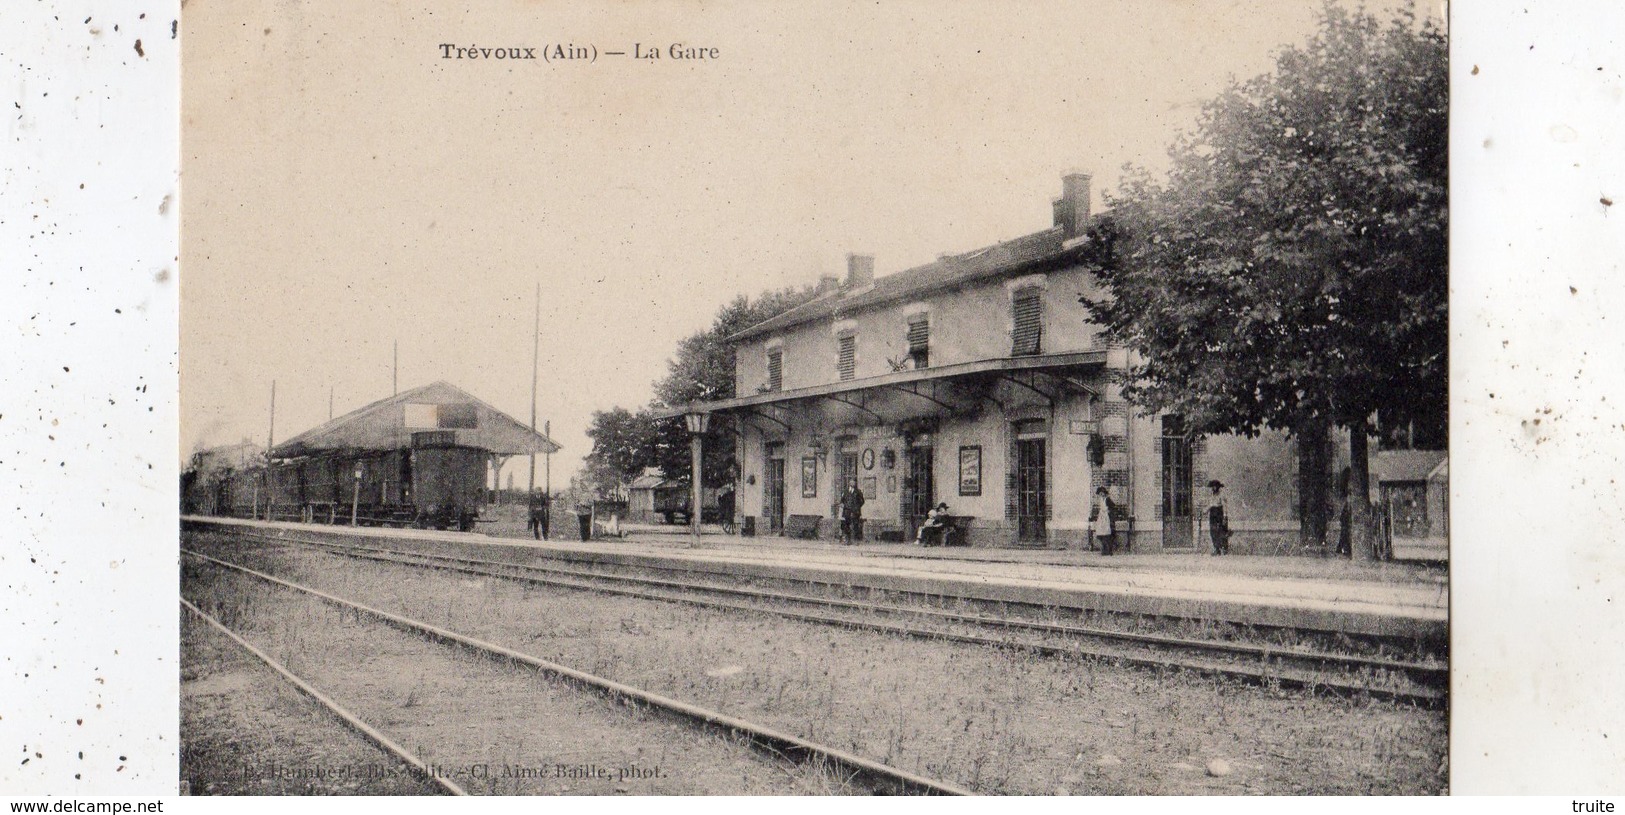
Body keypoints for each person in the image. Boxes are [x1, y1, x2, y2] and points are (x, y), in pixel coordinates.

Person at [1090, 487, 1117, 555]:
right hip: (1101, 517)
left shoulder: (1107, 499)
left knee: (1107, 534)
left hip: (1106, 518)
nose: (1101, 495)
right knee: (1100, 533)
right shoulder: (1101, 499)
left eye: (1102, 493)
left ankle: (1108, 550)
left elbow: (1113, 507)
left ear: (1104, 493)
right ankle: (1104, 549)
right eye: (1100, 494)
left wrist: (1108, 511)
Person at [1206, 479, 1230, 555]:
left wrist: (1225, 516)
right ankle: (1216, 549)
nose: (1213, 488)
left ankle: (1223, 548)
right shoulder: (1211, 495)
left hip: (1219, 513)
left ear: (1218, 487)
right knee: (1213, 531)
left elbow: (1224, 506)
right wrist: (1205, 511)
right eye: (1212, 487)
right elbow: (1210, 505)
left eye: (1215, 487)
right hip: (1212, 514)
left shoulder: (1221, 495)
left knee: (1220, 531)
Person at [838, 479, 865, 545]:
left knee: (855, 526)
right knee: (846, 526)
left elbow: (862, 501)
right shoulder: (845, 491)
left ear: (855, 483)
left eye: (854, 482)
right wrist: (843, 505)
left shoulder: (858, 492)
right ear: (849, 483)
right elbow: (842, 500)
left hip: (855, 512)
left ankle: (855, 541)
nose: (853, 483)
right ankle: (847, 541)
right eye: (851, 482)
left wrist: (857, 507)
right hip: (847, 511)